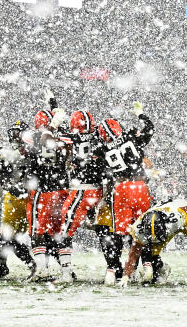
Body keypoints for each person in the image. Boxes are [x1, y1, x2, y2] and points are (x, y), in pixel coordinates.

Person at [98, 102, 154, 282]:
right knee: (142, 230)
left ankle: (112, 271)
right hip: (140, 186)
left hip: (121, 188)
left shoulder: (102, 149)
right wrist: (141, 114)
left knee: (118, 232)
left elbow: (103, 173)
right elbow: (149, 129)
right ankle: (147, 268)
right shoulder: (130, 135)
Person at [119, 199, 187, 289]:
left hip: (186, 221)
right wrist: (125, 277)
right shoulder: (139, 229)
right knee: (149, 253)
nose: (156, 241)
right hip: (163, 223)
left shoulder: (178, 216)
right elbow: (133, 256)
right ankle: (163, 269)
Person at [26, 102, 73, 282]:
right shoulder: (65, 137)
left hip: (43, 190)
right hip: (62, 189)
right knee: (61, 232)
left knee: (37, 233)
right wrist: (54, 105)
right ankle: (67, 273)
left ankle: (42, 270)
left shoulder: (37, 137)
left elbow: (31, 153)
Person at [62, 110, 110, 281]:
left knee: (64, 231)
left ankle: (66, 274)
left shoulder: (71, 136)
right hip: (99, 190)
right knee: (105, 231)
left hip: (81, 189)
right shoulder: (99, 134)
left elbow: (51, 139)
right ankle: (115, 269)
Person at [0, 120, 36, 280]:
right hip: (14, 198)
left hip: (32, 197)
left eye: (17, 132)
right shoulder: (4, 151)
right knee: (7, 237)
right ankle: (4, 265)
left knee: (41, 236)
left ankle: (49, 266)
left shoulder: (34, 149)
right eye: (13, 131)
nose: (14, 135)